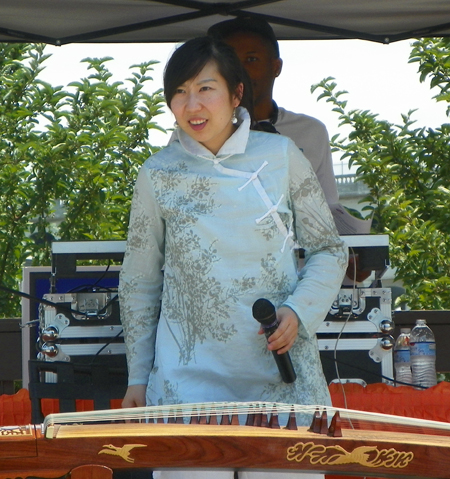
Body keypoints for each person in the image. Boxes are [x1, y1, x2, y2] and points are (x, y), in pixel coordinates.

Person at [119, 35, 348, 479]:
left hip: (277, 371)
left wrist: (297, 312)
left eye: (205, 88)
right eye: (179, 92)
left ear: (236, 93)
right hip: (188, 378)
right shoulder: (157, 172)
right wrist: (137, 377)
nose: (192, 104)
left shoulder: (281, 155)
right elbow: (140, 281)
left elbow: (329, 250)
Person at [207, 17, 339, 208]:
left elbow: (328, 208)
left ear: (276, 67)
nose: (240, 70)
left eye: (251, 59)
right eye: (230, 61)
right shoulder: (196, 132)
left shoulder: (310, 132)